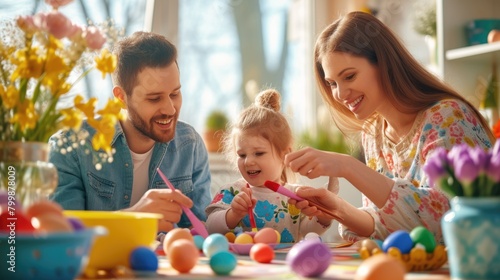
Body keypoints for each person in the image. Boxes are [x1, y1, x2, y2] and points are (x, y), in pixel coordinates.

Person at [285, 11, 496, 244]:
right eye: (332, 83)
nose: (340, 94)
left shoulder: (447, 117)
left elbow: (449, 219)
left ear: (383, 63)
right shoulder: (372, 133)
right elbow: (387, 224)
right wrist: (338, 208)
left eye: (350, 76)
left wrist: (348, 166)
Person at [48, 31, 212, 232]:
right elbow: (60, 231)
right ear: (121, 97)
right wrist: (135, 218)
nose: (170, 109)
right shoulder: (71, 145)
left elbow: (200, 231)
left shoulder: (190, 145)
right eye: (154, 98)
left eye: (175, 94)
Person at [205, 89, 333, 243]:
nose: (248, 161)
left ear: (284, 155)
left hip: (284, 265)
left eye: (258, 153)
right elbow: (210, 226)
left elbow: (307, 232)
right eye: (242, 155)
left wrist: (323, 219)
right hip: (244, 265)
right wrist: (233, 214)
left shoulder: (295, 196)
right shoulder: (231, 192)